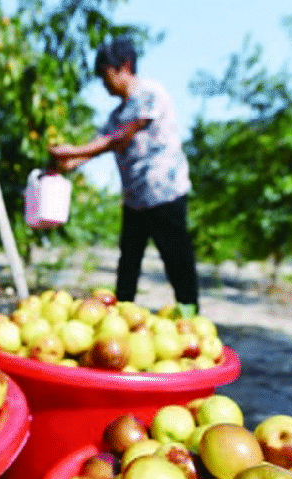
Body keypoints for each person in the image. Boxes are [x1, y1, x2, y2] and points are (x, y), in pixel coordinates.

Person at [48, 36, 200, 315]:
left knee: (176, 258)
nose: (104, 84)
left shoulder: (150, 93)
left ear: (124, 66)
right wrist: (64, 164)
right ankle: (120, 318)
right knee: (128, 262)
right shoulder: (117, 113)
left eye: (106, 75)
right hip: (135, 199)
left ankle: (191, 317)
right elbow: (99, 145)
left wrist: (73, 150)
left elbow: (119, 138)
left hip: (164, 193)